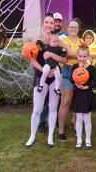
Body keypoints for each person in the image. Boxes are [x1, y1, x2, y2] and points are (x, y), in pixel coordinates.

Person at [25, 13, 66, 148]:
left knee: (53, 108)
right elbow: (33, 60)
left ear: (54, 25)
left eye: (51, 23)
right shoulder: (37, 40)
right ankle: (32, 136)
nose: (49, 25)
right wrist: (44, 71)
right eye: (47, 22)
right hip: (41, 76)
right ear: (43, 23)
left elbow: (63, 59)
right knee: (37, 109)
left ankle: (50, 137)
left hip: (54, 78)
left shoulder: (57, 40)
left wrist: (56, 69)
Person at [58, 18, 83, 141]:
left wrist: (80, 54)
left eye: (75, 27)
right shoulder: (63, 39)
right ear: (67, 29)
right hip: (67, 71)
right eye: (71, 27)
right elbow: (66, 53)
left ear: (78, 29)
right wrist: (79, 54)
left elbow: (86, 55)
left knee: (77, 101)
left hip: (80, 72)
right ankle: (61, 130)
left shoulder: (82, 41)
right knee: (66, 102)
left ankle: (76, 125)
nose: (73, 28)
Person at [70, 47, 96, 149]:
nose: (82, 58)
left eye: (84, 56)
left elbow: (95, 81)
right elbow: (71, 79)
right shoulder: (74, 67)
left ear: (88, 56)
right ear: (77, 56)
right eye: (80, 56)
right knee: (79, 118)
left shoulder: (91, 68)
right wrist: (76, 84)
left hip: (87, 95)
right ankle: (79, 139)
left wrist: (87, 86)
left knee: (87, 118)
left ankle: (88, 139)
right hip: (78, 94)